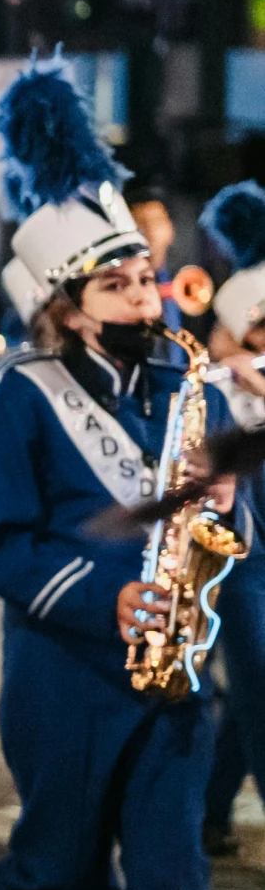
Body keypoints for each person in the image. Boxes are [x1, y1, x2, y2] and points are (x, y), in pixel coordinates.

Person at [0, 64, 262, 890]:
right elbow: (4, 547)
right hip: (66, 675)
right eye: (116, 285)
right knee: (53, 870)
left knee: (169, 884)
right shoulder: (16, 395)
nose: (142, 298)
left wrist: (222, 520)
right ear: (64, 306)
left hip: (174, 671)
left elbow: (225, 526)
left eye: (144, 279)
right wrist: (108, 597)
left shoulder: (184, 384)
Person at [197, 183, 265, 855]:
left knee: (249, 695)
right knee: (259, 681)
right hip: (246, 554)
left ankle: (211, 807)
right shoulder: (219, 388)